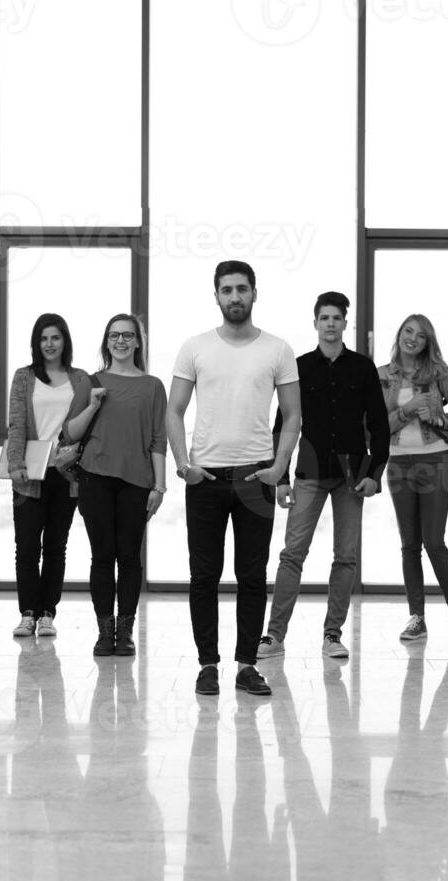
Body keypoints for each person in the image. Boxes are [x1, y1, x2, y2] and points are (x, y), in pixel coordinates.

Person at [166, 260, 301, 697]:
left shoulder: (278, 350)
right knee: (203, 575)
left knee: (251, 575)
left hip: (255, 477)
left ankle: (246, 665)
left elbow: (294, 414)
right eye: (227, 290)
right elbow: (173, 410)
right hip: (204, 477)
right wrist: (184, 464)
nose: (235, 297)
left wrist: (280, 467)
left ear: (254, 293)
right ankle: (208, 664)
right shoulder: (195, 347)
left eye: (242, 289)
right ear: (217, 296)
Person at [258, 291, 390, 660]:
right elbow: (283, 424)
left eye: (337, 318)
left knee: (345, 557)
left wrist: (375, 473)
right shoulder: (299, 367)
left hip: (352, 475)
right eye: (324, 318)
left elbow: (379, 425)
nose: (331, 323)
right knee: (292, 554)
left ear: (345, 323)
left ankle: (333, 635)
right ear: (315, 323)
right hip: (309, 473)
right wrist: (280, 478)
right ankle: (274, 636)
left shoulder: (363, 368)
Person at [63, 313, 167, 657]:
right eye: (114, 336)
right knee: (103, 557)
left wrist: (160, 486)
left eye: (127, 335)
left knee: (130, 558)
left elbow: (157, 440)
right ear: (106, 342)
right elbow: (71, 433)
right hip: (95, 478)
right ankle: (104, 633)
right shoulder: (90, 382)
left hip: (137, 482)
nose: (120, 341)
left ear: (138, 341)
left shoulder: (152, 386)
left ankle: (125, 632)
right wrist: (92, 405)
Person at [377, 314, 448, 641]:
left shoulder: (439, 374)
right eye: (408, 332)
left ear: (427, 343)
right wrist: (407, 411)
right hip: (398, 464)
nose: (413, 339)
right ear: (400, 335)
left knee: (434, 541)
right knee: (409, 545)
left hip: (435, 460)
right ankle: (416, 618)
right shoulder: (382, 376)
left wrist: (441, 418)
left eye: (420, 336)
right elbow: (376, 429)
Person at [8, 313, 91, 638]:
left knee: (56, 546)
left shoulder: (81, 379)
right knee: (26, 546)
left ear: (64, 341)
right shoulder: (24, 377)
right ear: (36, 343)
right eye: (44, 338)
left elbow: (90, 426)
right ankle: (27, 613)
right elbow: (17, 423)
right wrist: (15, 463)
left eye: (55, 337)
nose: (49, 344)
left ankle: (47, 614)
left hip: (66, 474)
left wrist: (78, 454)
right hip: (29, 473)